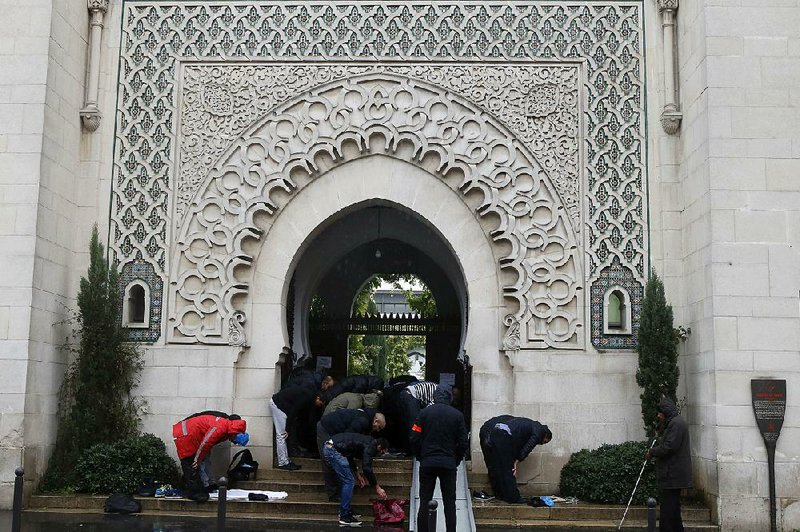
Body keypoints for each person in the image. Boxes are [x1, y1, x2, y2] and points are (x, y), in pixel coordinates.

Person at [410, 384, 468, 532]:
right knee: (450, 503)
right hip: (448, 464)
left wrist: (421, 456)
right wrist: (456, 459)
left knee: (424, 501)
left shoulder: (424, 413)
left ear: (435, 397)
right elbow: (463, 442)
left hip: (428, 462)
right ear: (450, 397)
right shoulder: (457, 415)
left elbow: (414, 437)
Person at [172, 412, 249, 501]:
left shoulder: (228, 427)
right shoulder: (221, 427)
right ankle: (196, 491)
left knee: (203, 460)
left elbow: (208, 443)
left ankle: (207, 484)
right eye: (235, 441)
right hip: (186, 434)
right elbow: (206, 443)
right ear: (235, 434)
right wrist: (197, 460)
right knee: (191, 463)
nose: (233, 442)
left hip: (193, 433)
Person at [316, 408, 386, 501]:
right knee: (329, 461)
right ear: (376, 421)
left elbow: (349, 448)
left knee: (335, 461)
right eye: (379, 427)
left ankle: (338, 493)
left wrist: (355, 471)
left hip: (334, 432)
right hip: (327, 429)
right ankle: (333, 494)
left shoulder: (364, 420)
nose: (377, 430)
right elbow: (347, 446)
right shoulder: (362, 422)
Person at [479, 415, 551, 503]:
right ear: (545, 435)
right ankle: (513, 497)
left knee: (494, 467)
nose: (541, 444)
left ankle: (500, 494)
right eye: (544, 442)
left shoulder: (526, 424)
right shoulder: (539, 430)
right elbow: (528, 447)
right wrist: (516, 461)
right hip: (502, 435)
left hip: (491, 432)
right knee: (509, 469)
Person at [645, 397, 692, 532]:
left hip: (673, 475)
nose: (658, 415)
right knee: (673, 512)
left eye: (660, 412)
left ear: (666, 411)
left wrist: (652, 452)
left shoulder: (676, 424)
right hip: (673, 475)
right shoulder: (675, 422)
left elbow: (669, 447)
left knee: (668, 512)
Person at [322, 433, 389, 527]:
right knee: (348, 482)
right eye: (382, 452)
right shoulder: (370, 447)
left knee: (348, 480)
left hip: (331, 447)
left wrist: (358, 475)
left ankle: (345, 511)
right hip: (333, 450)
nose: (380, 455)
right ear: (379, 447)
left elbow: (349, 455)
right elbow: (367, 468)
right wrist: (377, 487)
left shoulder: (367, 441)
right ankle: (344, 515)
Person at [270, 385, 323, 470]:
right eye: (320, 403)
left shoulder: (309, 396)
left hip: (282, 404)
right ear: (318, 398)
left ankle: (285, 460)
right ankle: (283, 462)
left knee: (283, 434)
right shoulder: (307, 397)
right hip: (278, 404)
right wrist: (287, 429)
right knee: (282, 434)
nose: (319, 405)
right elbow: (294, 411)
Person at [398, 380, 438, 451]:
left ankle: (410, 447)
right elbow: (428, 410)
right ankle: (414, 449)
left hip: (408, 393)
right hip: (410, 395)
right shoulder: (439, 395)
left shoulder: (438, 390)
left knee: (410, 423)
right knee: (415, 424)